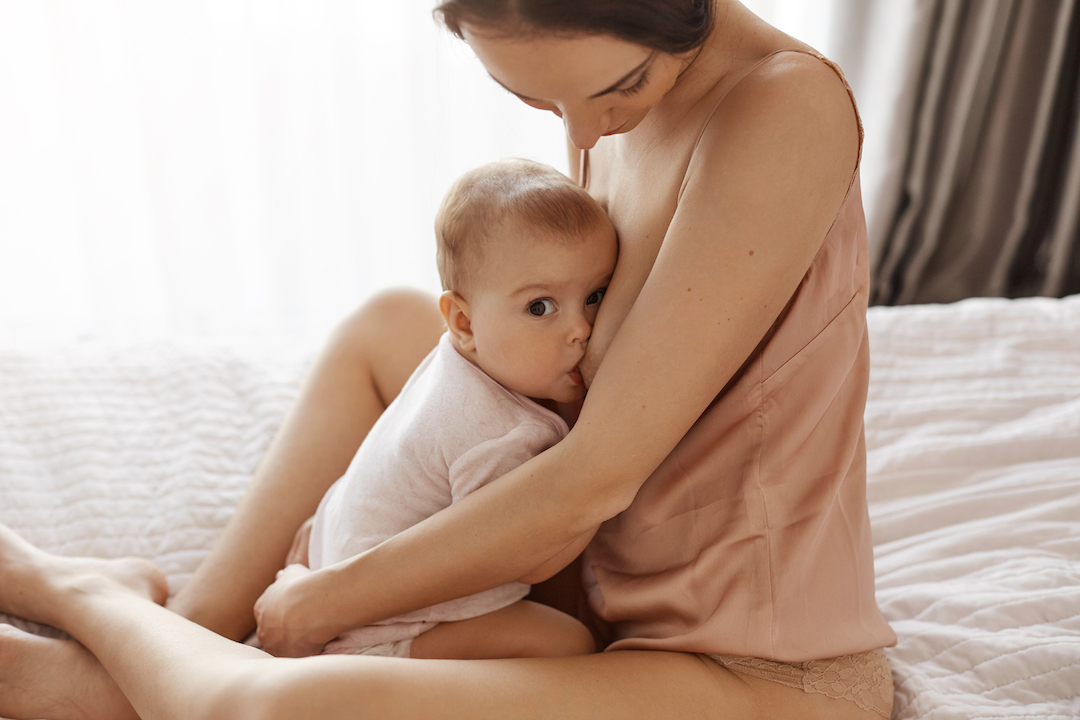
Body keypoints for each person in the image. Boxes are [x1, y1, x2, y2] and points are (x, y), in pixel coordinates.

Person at [0, 1, 898, 719]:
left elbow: (590, 482)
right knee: (388, 328)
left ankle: (89, 601)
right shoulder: (613, 93)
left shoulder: (783, 106)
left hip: (747, 665)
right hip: (598, 570)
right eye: (543, 104)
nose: (587, 132)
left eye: (619, 86)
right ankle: (196, 627)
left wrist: (330, 598)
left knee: (278, 712)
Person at [299, 158, 612, 660]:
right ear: (463, 322)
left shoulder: (454, 362)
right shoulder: (501, 434)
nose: (582, 329)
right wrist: (608, 486)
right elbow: (531, 559)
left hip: (333, 551)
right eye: (540, 307)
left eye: (595, 296)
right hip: (385, 626)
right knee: (567, 644)